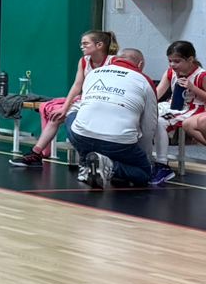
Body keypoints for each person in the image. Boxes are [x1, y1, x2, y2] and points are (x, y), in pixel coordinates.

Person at [11, 29, 117, 169]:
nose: (82, 47)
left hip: (106, 103)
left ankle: (94, 158)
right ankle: (36, 154)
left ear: (99, 45)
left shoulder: (113, 61)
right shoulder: (84, 61)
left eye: (85, 44)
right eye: (81, 44)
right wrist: (64, 108)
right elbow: (77, 86)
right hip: (86, 100)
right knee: (56, 117)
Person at [69, 48, 168, 189]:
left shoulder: (93, 74)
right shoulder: (144, 80)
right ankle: (109, 166)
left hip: (81, 137)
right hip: (117, 142)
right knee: (143, 173)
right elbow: (149, 126)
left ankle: (86, 164)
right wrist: (145, 157)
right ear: (140, 64)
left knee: (72, 114)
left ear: (114, 59)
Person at [156, 39, 204, 151]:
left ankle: (161, 158)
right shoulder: (170, 72)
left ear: (190, 59)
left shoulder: (201, 75)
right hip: (173, 104)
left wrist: (193, 88)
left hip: (194, 108)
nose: (172, 64)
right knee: (147, 116)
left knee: (160, 122)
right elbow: (158, 93)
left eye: (177, 61)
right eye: (170, 61)